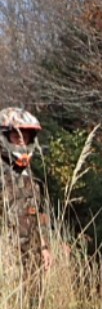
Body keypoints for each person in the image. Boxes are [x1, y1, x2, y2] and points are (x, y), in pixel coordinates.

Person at [0, 107, 52, 273]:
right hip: (6, 260)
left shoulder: (31, 176)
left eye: (26, 136)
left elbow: (38, 214)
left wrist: (44, 247)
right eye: (17, 136)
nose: (22, 141)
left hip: (31, 260)